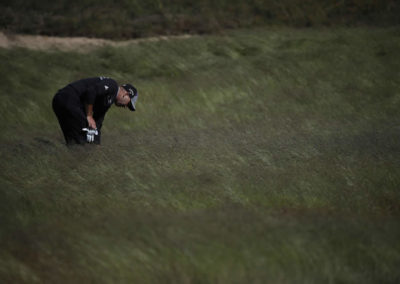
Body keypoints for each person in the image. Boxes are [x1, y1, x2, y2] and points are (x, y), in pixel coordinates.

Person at [52, 76, 138, 145]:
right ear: (126, 94)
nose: (126, 106)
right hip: (68, 98)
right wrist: (89, 116)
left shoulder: (109, 100)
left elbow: (98, 121)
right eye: (128, 103)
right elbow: (91, 91)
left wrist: (97, 144)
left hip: (62, 101)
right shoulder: (112, 85)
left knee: (73, 142)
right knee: (82, 139)